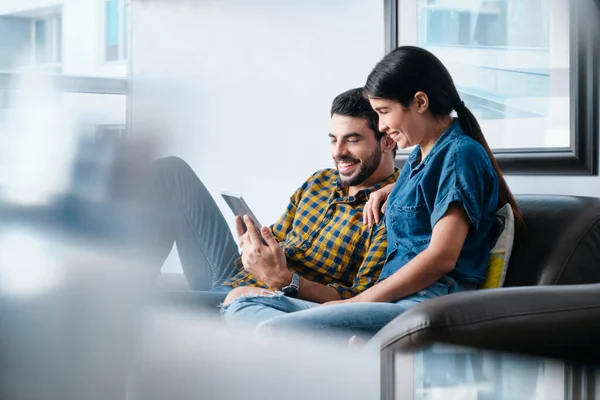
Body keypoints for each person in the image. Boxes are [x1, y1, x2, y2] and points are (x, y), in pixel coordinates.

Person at [222, 45, 523, 340]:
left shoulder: (460, 154)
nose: (381, 125)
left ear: (420, 102)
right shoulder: (422, 157)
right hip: (397, 301)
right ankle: (340, 343)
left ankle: (338, 344)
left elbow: (442, 257)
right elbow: (431, 195)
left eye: (383, 112)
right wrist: (394, 189)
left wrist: (358, 303)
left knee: (270, 328)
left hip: (424, 304)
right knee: (241, 303)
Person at [151, 87, 398, 310]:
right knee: (171, 171)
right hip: (235, 272)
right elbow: (279, 237)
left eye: (352, 140)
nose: (337, 152)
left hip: (261, 300)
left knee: (142, 306)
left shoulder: (390, 210)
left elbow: (360, 299)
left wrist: (285, 281)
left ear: (387, 140)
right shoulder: (320, 181)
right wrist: (254, 246)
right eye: (333, 140)